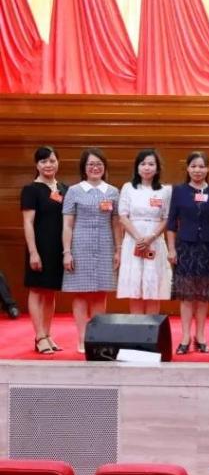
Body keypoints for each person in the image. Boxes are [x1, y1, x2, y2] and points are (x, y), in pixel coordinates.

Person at [62, 148, 121, 352]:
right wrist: (67, 252)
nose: (95, 168)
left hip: (105, 245)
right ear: (84, 168)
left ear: (104, 167)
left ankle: (97, 337)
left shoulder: (113, 191)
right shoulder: (74, 191)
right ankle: (81, 338)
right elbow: (67, 224)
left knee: (100, 293)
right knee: (80, 294)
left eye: (99, 164)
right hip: (80, 246)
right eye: (91, 164)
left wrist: (118, 250)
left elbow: (116, 224)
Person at [166, 151, 209, 354]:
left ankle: (200, 336)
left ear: (208, 168)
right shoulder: (179, 191)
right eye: (194, 166)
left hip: (207, 247)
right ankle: (185, 337)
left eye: (201, 166)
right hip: (186, 248)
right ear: (188, 168)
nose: (197, 170)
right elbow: (171, 224)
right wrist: (171, 249)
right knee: (187, 295)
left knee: (203, 295)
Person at [20, 146, 68, 353]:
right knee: (37, 290)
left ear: (58, 162)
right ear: (36, 165)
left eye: (52, 160)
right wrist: (33, 252)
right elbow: (28, 222)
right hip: (39, 246)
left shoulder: (64, 189)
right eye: (43, 161)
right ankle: (39, 336)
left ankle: (47, 334)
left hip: (58, 248)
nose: (48, 165)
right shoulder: (31, 190)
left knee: (50, 292)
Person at [117, 149, 172, 314]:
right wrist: (138, 238)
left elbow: (167, 217)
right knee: (135, 286)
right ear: (137, 167)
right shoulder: (128, 188)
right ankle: (136, 327)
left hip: (155, 240)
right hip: (133, 240)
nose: (147, 167)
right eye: (143, 164)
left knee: (153, 287)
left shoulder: (165, 190)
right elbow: (123, 216)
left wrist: (151, 237)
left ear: (157, 168)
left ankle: (152, 328)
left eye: (151, 164)